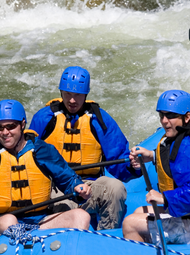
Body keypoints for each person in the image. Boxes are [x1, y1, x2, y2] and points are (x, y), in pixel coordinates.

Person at [0, 99, 92, 243]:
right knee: (10, 221)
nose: (5, 132)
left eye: (11, 126)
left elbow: (68, 179)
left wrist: (78, 187)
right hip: (0, 225)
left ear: (22, 124)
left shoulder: (43, 150)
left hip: (41, 222)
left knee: (81, 216)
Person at [28, 66, 134, 230]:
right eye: (68, 94)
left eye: (77, 95)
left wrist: (133, 167)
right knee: (64, 205)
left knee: (116, 188)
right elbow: (28, 157)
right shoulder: (44, 118)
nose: (72, 100)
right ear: (61, 92)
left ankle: (106, 236)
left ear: (86, 94)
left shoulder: (99, 119)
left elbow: (117, 157)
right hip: (57, 186)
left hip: (90, 185)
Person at [123, 90, 190, 246]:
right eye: (162, 115)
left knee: (130, 224)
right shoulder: (183, 136)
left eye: (171, 116)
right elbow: (177, 160)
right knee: (140, 212)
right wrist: (152, 156)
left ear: (187, 117)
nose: (164, 121)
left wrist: (165, 198)